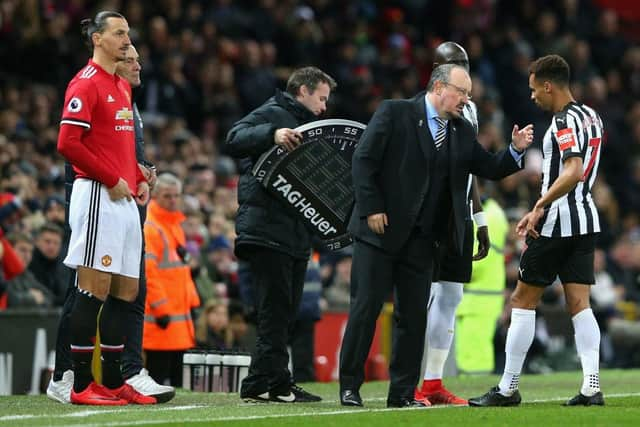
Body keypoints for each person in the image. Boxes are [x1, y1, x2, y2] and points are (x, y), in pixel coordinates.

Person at [339, 64, 534, 408]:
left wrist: (515, 151)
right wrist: (371, 208)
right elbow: (363, 160)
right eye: (462, 92)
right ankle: (350, 387)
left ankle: (401, 393)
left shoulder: (460, 131)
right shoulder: (394, 112)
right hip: (379, 232)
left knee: (413, 317)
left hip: (423, 241)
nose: (466, 99)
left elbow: (487, 166)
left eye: (469, 93)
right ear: (440, 87)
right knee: (365, 309)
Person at [469, 54, 605, 407]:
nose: (532, 97)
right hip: (586, 219)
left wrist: (539, 206)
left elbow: (573, 169)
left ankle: (507, 388)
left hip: (559, 222)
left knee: (521, 301)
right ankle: (592, 386)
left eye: (534, 90)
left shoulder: (562, 122)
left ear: (548, 85)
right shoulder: (592, 116)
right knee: (580, 304)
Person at [47, 41, 173, 404]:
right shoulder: (87, 83)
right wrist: (111, 178)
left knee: (127, 291)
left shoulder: (122, 91)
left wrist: (136, 176)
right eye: (122, 39)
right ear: (100, 40)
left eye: (134, 47)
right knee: (90, 289)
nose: (135, 60)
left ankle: (115, 381)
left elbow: (116, 150)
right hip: (98, 194)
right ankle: (77, 382)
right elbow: (69, 143)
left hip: (124, 198)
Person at [224, 66, 336, 403]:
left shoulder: (313, 128)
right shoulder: (275, 112)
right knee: (275, 312)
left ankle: (270, 382)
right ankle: (267, 384)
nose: (325, 107)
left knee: (285, 313)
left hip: (294, 233)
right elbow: (234, 137)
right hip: (266, 229)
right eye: (321, 98)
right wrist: (273, 134)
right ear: (302, 91)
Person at [415, 41, 489, 406]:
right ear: (437, 71)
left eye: (466, 64)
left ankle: (432, 382)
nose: (464, 71)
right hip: (428, 219)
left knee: (451, 296)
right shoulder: (418, 110)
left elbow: (470, 167)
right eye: (455, 65)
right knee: (422, 297)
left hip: (459, 219)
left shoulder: (470, 111)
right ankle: (409, 381)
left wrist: (480, 217)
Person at [143, 173, 200, 387]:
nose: (174, 200)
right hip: (161, 319)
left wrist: (193, 301)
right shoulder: (152, 227)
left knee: (177, 383)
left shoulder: (173, 224)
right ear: (155, 196)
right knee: (157, 379)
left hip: (178, 318)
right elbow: (149, 273)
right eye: (168, 196)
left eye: (177, 196)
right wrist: (161, 310)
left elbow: (180, 270)